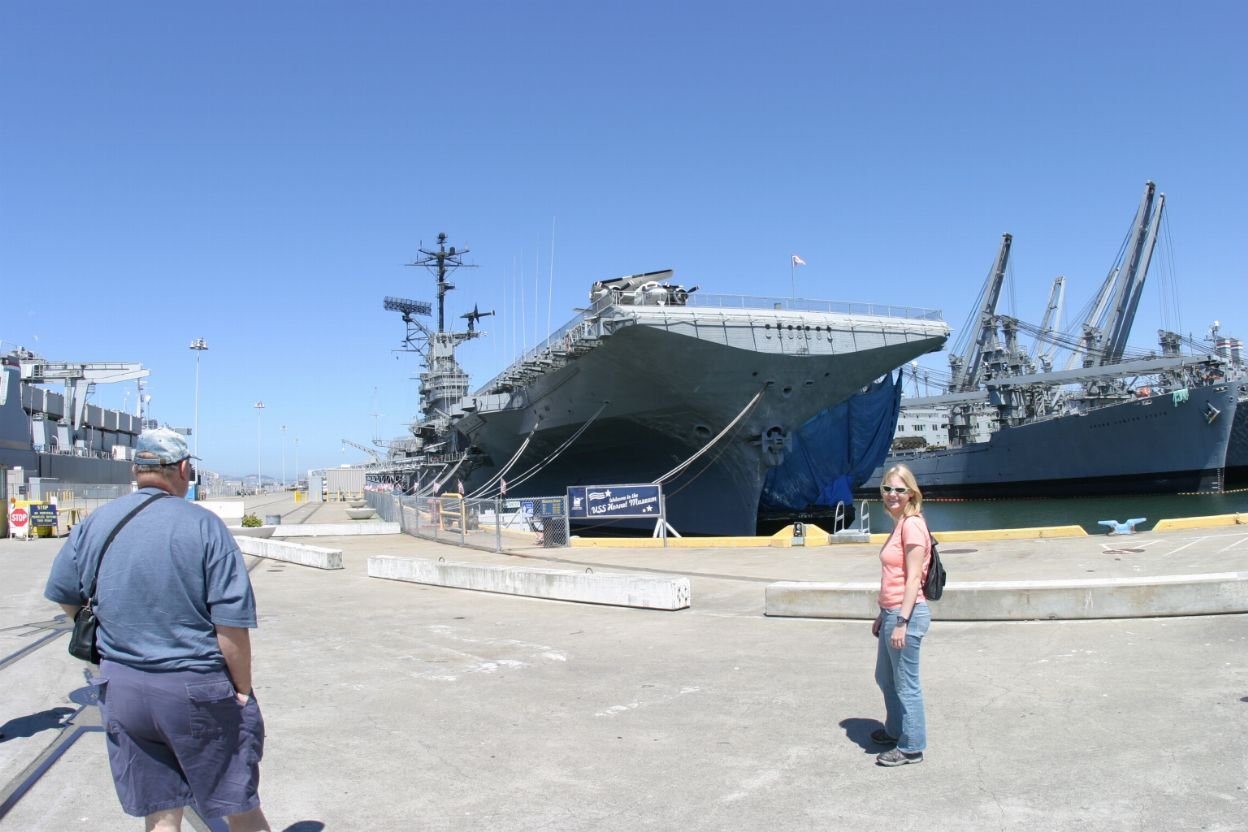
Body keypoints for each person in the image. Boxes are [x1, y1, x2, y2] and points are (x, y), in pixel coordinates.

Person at [44, 428, 271, 831]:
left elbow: (65, 594)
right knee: (239, 807)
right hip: (196, 690)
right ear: (183, 469)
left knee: (162, 814)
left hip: (123, 689)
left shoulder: (96, 522)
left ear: (136, 470)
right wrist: (242, 689)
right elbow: (231, 627)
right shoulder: (204, 526)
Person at [870, 463, 932, 766]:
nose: (892, 494)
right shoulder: (899, 524)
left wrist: (901, 622)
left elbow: (913, 578)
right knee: (885, 677)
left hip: (907, 614)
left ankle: (912, 746)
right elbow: (893, 578)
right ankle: (895, 729)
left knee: (906, 683)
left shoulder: (912, 525)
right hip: (892, 612)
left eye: (899, 489)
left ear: (911, 493)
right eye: (887, 488)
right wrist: (883, 615)